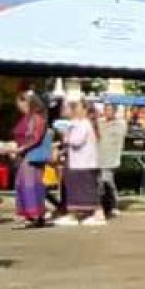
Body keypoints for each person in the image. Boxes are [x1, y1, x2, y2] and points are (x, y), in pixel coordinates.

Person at [55, 94, 104, 227]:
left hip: (84, 164)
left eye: (75, 107)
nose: (73, 110)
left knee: (84, 190)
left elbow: (76, 141)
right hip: (80, 163)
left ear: (84, 110)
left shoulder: (84, 124)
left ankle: (93, 215)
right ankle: (79, 214)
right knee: (80, 191)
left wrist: (66, 135)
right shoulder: (80, 124)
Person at [13, 105, 57, 226]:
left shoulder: (36, 121)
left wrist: (20, 148)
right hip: (37, 158)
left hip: (31, 157)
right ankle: (37, 215)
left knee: (27, 185)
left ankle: (32, 215)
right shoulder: (45, 125)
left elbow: (33, 139)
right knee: (36, 186)